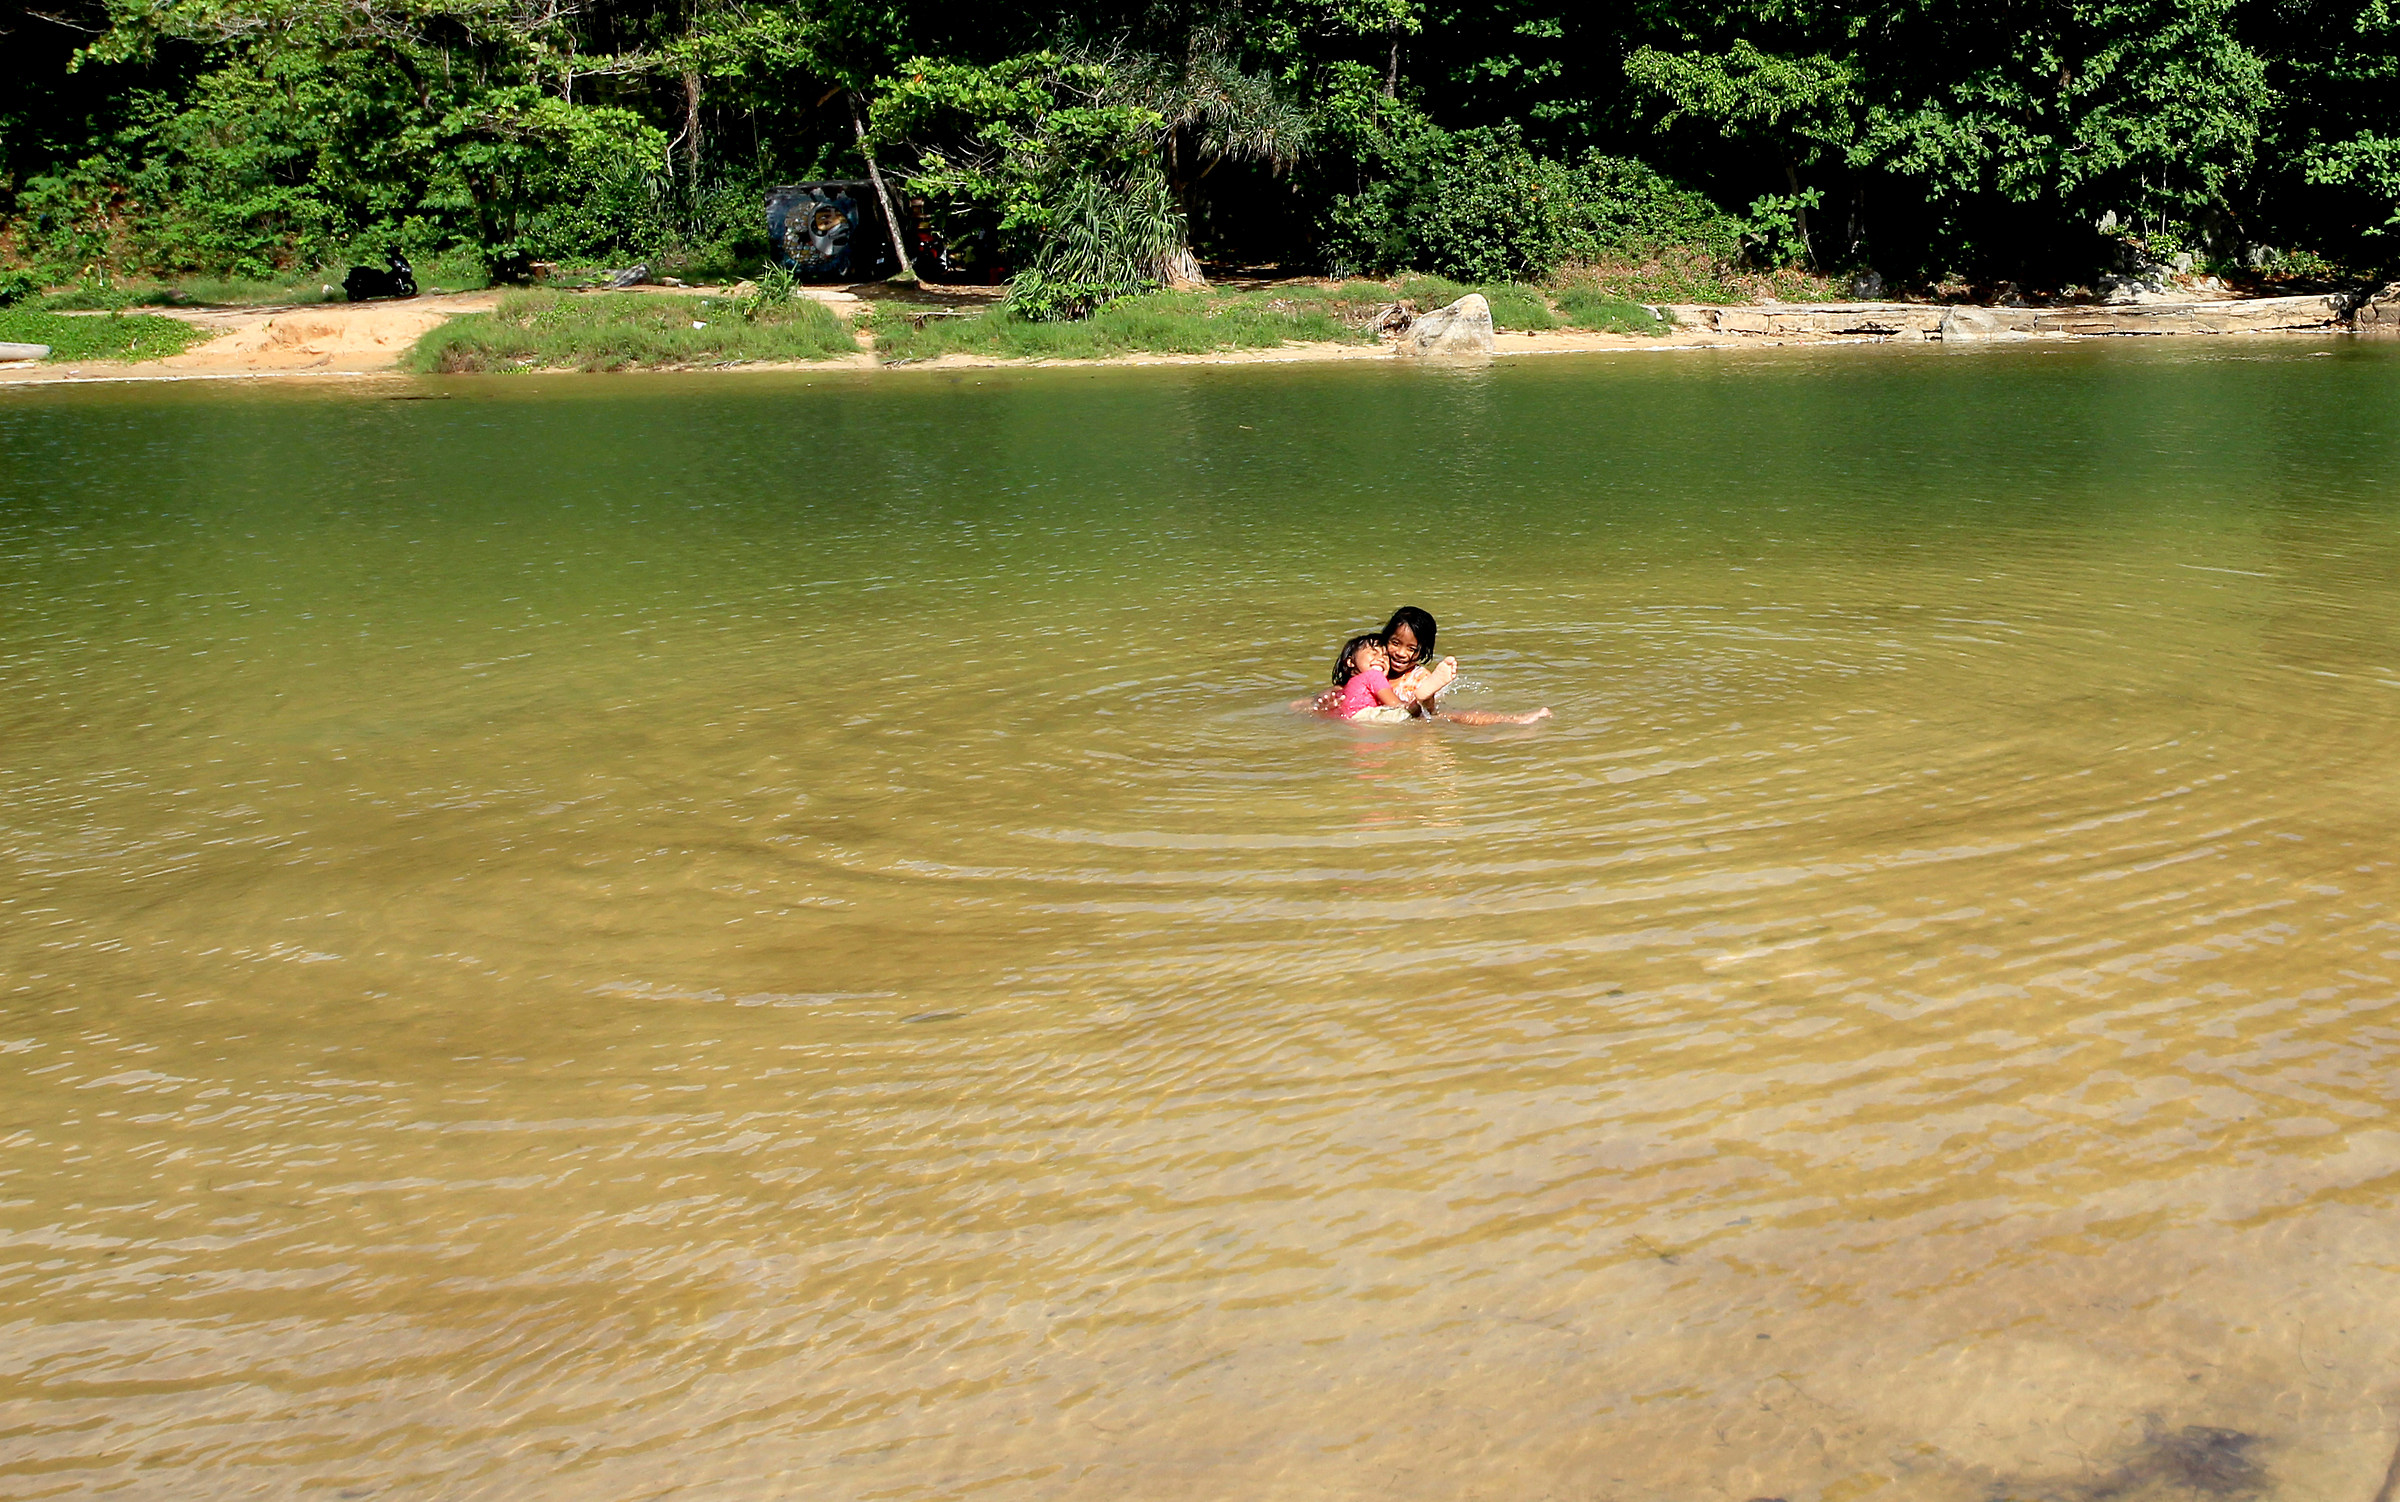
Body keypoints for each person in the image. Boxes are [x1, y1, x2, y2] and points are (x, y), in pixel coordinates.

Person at [1329, 633, 1444, 723]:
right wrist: (1410, 706)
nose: (1381, 659)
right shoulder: (1374, 675)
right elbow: (1395, 704)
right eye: (1374, 653)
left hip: (1349, 720)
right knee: (1411, 713)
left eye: (1385, 656)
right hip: (1366, 716)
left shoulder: (1347, 686)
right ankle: (1424, 696)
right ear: (1350, 661)